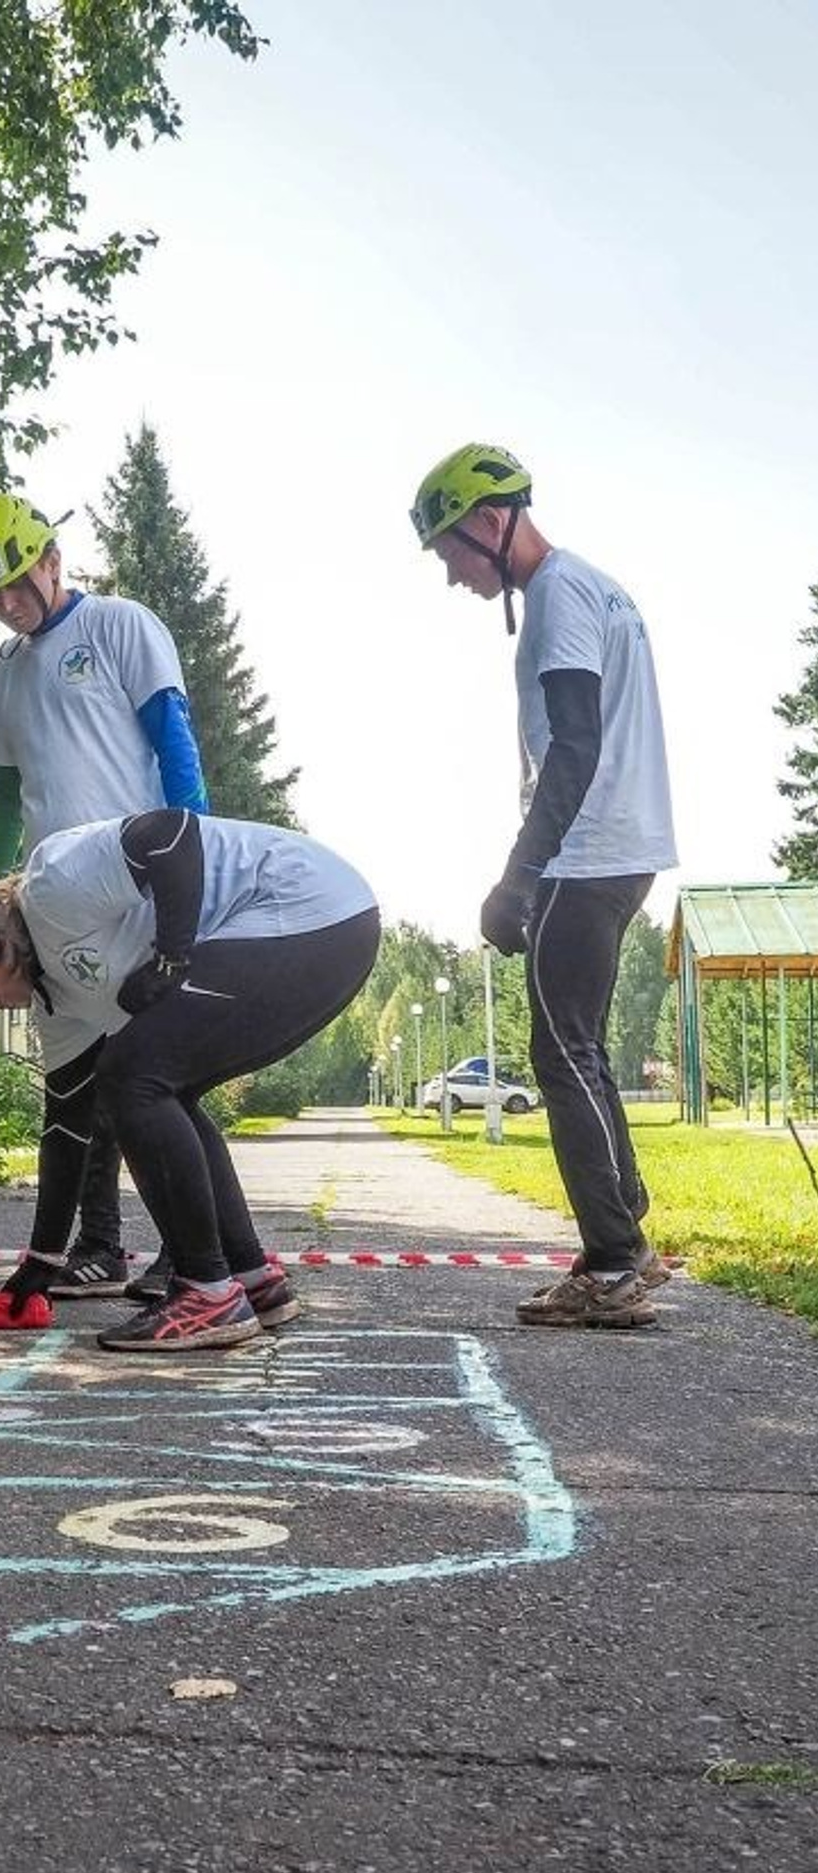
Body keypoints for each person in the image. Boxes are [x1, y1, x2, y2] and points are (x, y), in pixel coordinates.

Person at [0, 809, 378, 1351]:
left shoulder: (52, 883)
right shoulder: (57, 1000)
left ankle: (207, 1292)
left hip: (306, 909)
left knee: (133, 1075)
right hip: (328, 929)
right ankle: (249, 1277)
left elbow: (169, 836)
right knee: (159, 1084)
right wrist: (42, 1260)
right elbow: (67, 1125)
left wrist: (171, 958)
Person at [410, 443, 677, 1330]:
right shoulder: (597, 587)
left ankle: (609, 1265)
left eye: (452, 551)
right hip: (619, 844)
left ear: (491, 523)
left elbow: (574, 745)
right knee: (581, 1047)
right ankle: (625, 1238)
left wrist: (517, 875)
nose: (454, 577)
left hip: (588, 852)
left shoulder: (560, 593)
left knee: (561, 1052)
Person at [0, 491, 210, 1302]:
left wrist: (196, 856)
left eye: (14, 587)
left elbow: (174, 739)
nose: (4, 606)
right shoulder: (6, 670)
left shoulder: (120, 627)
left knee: (156, 1073)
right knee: (75, 1076)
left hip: (139, 887)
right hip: (46, 902)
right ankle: (95, 1246)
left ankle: (185, 1248)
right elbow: (0, 793)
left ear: (50, 560)